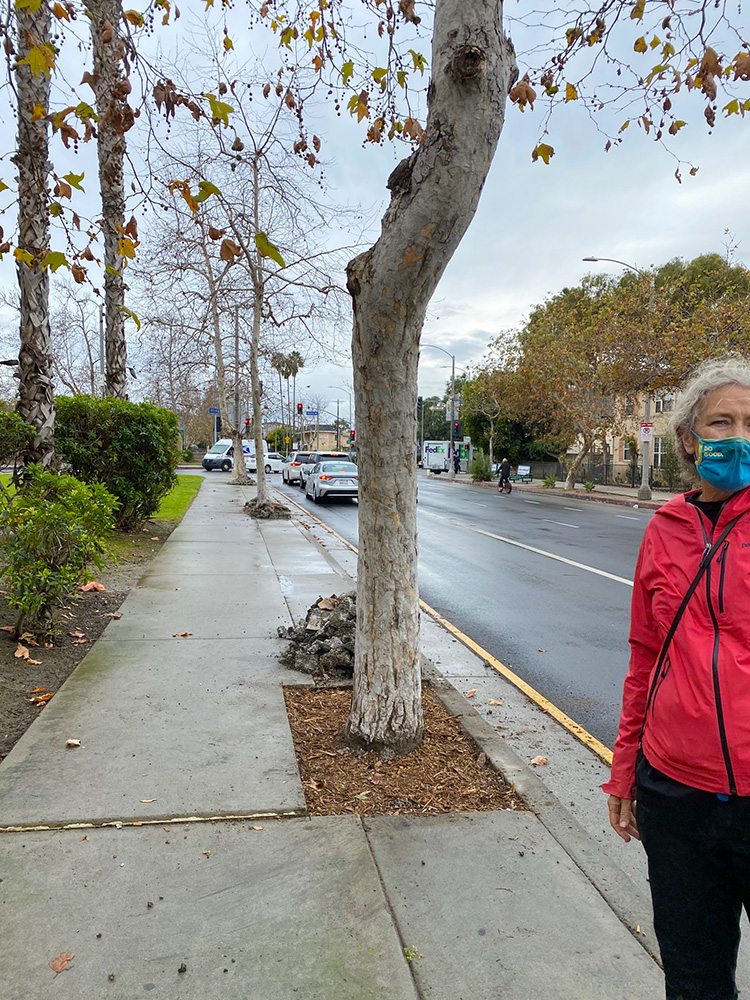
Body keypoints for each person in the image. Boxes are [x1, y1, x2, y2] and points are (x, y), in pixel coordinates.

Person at [604, 357, 750, 1000]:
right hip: (676, 796)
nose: (739, 437)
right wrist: (625, 768)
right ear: (689, 438)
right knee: (694, 975)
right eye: (723, 422)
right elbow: (645, 656)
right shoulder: (664, 529)